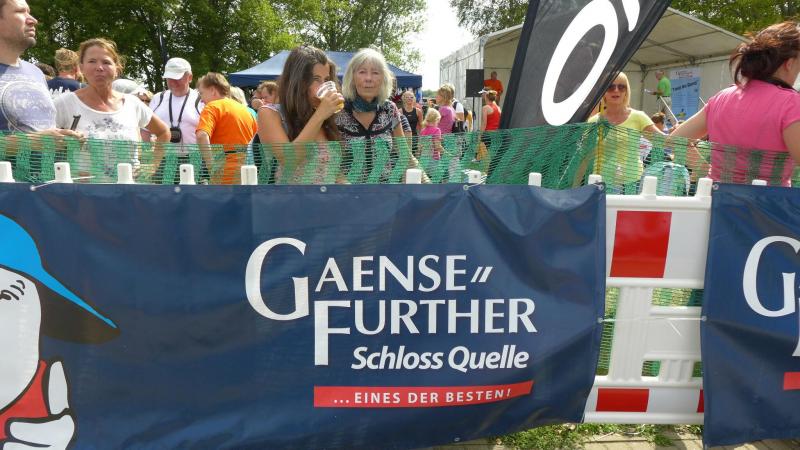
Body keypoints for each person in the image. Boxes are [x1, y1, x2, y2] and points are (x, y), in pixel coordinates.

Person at [673, 21, 800, 186]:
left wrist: (705, 168)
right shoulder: (790, 103)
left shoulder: (722, 97)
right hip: (768, 200)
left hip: (716, 196)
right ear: (789, 64)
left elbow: (675, 140)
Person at [53, 38, 169, 182]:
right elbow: (39, 139)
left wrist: (153, 165)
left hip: (130, 190)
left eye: (106, 62)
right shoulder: (65, 103)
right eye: (92, 61)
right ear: (81, 67)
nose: (99, 67)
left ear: (117, 69)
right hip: (83, 192)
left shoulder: (132, 104)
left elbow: (163, 132)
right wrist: (59, 138)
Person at [257, 45, 342, 183]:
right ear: (298, 81)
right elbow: (289, 161)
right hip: (290, 196)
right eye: (316, 79)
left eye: (326, 79)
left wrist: (351, 190)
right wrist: (320, 115)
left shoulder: (325, 117)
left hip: (329, 197)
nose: (323, 85)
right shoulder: (269, 113)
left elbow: (334, 171)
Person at [582, 72, 664, 193]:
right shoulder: (594, 121)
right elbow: (584, 155)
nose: (616, 90)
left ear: (626, 91)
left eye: (621, 87)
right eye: (610, 87)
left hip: (632, 184)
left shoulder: (639, 117)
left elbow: (664, 141)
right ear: (603, 91)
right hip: (600, 184)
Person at [195, 72, 258, 184]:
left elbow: (201, 135)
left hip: (224, 173)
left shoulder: (212, 107)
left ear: (213, 90)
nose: (201, 99)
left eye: (201, 93)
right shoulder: (245, 110)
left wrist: (211, 167)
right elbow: (256, 140)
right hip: (249, 171)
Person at [149, 57, 204, 183]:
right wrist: (150, 142)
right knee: (165, 192)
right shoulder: (158, 98)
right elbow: (145, 130)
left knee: (192, 193)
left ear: (190, 77)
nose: (173, 82)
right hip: (164, 158)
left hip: (194, 158)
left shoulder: (201, 99)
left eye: (177, 78)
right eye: (169, 78)